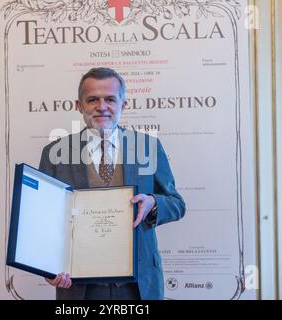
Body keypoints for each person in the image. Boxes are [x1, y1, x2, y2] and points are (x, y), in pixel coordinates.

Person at [38, 67, 186, 300]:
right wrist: (46, 267)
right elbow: (43, 220)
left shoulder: (148, 147)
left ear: (123, 105)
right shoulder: (54, 153)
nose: (102, 106)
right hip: (79, 286)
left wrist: (153, 203)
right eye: (92, 100)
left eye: (110, 99)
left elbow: (177, 204)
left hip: (139, 284)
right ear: (79, 105)